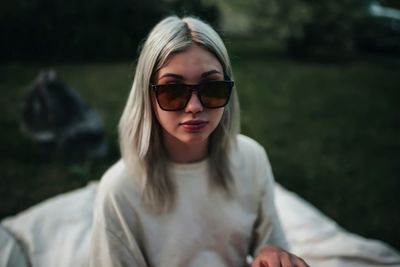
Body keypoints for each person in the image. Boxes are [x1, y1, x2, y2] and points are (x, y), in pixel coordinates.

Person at [89, 15, 309, 267]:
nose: (194, 107)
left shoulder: (251, 158)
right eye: (173, 91)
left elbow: (271, 243)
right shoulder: (119, 190)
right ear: (146, 96)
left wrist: (272, 252)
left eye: (212, 88)